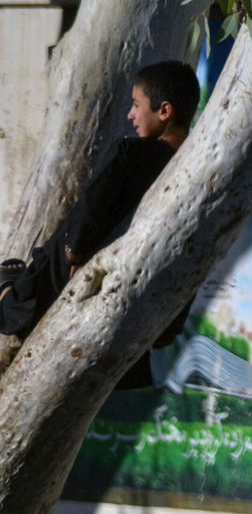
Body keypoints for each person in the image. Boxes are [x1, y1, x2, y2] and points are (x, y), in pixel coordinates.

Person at [0, 59, 200, 387]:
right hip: (146, 307)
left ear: (164, 111)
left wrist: (75, 253)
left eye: (136, 106)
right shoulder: (195, 168)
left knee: (31, 271)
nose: (130, 115)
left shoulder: (133, 155)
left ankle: (9, 291)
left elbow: (91, 208)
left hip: (84, 277)